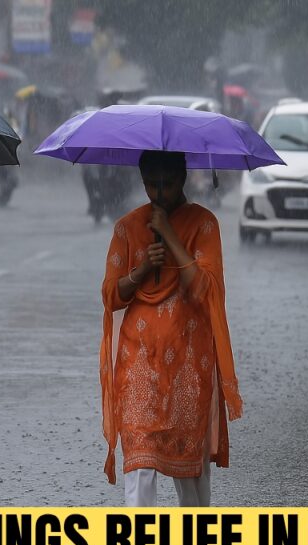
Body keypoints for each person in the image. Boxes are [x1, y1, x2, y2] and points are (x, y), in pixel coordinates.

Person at [99, 150, 243, 506]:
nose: (159, 192)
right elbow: (112, 296)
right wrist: (143, 267)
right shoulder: (128, 227)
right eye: (151, 184)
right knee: (140, 463)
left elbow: (205, 290)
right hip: (139, 362)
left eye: (168, 183)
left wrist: (171, 238)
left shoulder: (204, 224)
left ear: (183, 179)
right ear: (142, 181)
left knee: (189, 470)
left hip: (188, 365)